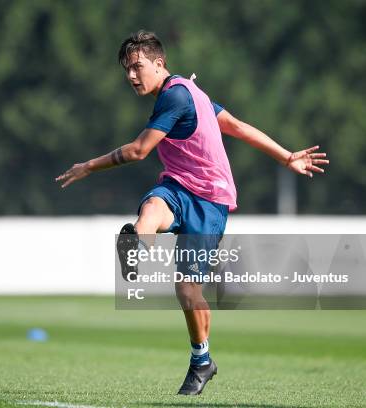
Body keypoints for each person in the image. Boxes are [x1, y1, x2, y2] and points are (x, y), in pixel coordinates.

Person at [55, 30, 329, 395]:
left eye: (137, 67)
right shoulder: (190, 92)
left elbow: (138, 151)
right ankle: (137, 244)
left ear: (159, 63)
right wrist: (285, 155)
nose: (131, 76)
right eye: (126, 70)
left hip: (210, 201)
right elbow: (236, 126)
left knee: (187, 289)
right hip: (178, 187)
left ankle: (202, 360)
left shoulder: (177, 98)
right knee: (152, 206)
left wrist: (89, 166)